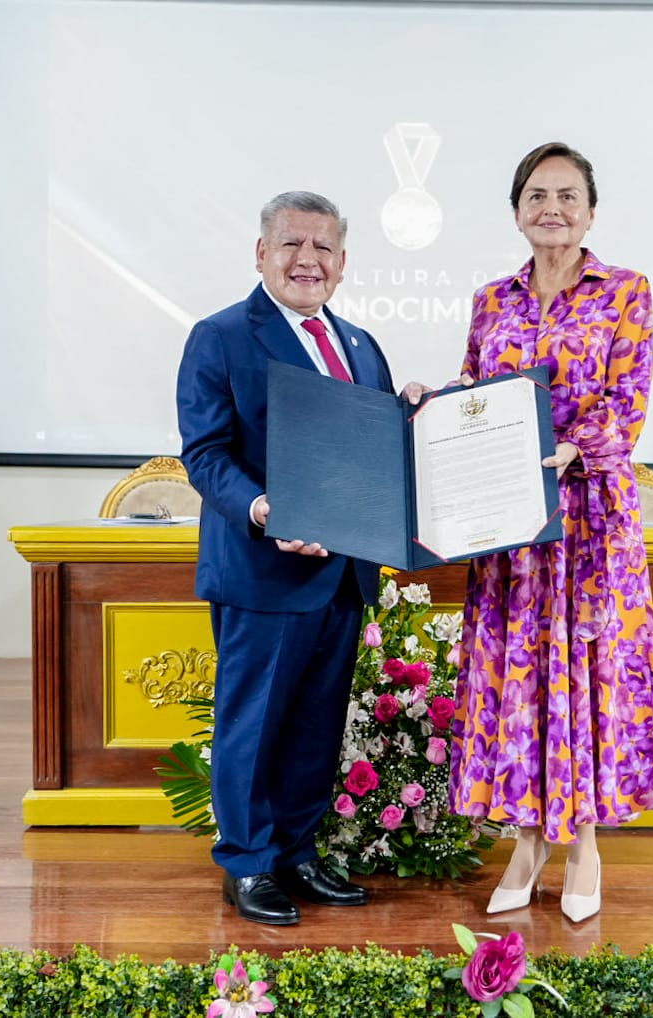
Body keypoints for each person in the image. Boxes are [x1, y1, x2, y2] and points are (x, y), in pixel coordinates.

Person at [447, 143, 653, 923]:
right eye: (537, 194)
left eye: (567, 195)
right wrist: (431, 407)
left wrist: (578, 445)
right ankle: (524, 839)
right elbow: (476, 399)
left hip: (589, 527)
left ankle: (582, 845)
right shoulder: (491, 300)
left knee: (584, 680)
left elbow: (629, 402)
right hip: (512, 528)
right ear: (517, 209)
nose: (552, 207)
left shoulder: (625, 292)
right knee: (519, 682)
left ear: (590, 211)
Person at [176, 191, 394, 926]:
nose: (309, 260)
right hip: (263, 569)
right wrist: (265, 509)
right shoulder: (222, 336)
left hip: (341, 572)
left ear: (343, 261)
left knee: (315, 725)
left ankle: (298, 852)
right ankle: (246, 863)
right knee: (254, 722)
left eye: (324, 247)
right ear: (261, 253)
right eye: (293, 244)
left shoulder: (363, 347)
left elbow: (378, 456)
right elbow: (204, 455)